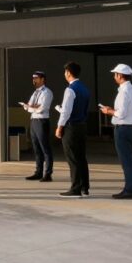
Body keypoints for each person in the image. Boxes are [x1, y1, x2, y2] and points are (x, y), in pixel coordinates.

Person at [100, 63, 132, 199]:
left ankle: (129, 190)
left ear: (120, 76)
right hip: (131, 128)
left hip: (123, 129)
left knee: (126, 161)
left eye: (115, 74)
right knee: (131, 160)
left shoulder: (124, 91)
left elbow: (121, 114)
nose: (114, 77)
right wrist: (113, 110)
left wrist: (108, 111)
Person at [55, 61, 90, 198]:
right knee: (81, 157)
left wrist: (59, 127)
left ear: (68, 72)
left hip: (71, 127)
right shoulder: (85, 89)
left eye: (65, 72)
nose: (64, 74)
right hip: (82, 125)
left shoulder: (70, 89)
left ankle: (75, 188)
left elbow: (66, 112)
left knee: (72, 158)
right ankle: (85, 187)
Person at [21, 71, 54, 182]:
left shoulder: (47, 92)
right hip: (33, 120)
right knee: (36, 147)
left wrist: (31, 107)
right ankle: (38, 172)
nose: (34, 80)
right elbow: (28, 107)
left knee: (45, 148)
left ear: (42, 79)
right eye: (33, 78)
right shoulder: (35, 93)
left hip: (41, 120)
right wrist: (32, 107)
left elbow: (42, 108)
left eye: (36, 78)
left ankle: (48, 173)